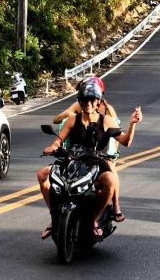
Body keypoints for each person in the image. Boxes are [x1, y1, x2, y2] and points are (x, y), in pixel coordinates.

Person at [37, 79, 142, 239]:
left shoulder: (106, 120)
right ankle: (54, 217)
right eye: (85, 100)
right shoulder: (73, 119)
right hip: (72, 160)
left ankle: (95, 219)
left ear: (98, 101)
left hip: (95, 163)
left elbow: (126, 141)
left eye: (92, 100)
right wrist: (52, 148)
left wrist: (133, 124)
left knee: (110, 180)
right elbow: (59, 140)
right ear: (80, 101)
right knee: (42, 175)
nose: (88, 103)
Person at [51, 76, 125, 222]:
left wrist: (111, 155)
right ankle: (56, 217)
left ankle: (116, 206)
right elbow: (57, 119)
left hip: (103, 150)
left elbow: (117, 134)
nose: (88, 102)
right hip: (79, 150)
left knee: (111, 171)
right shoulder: (81, 105)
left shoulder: (108, 111)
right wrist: (71, 115)